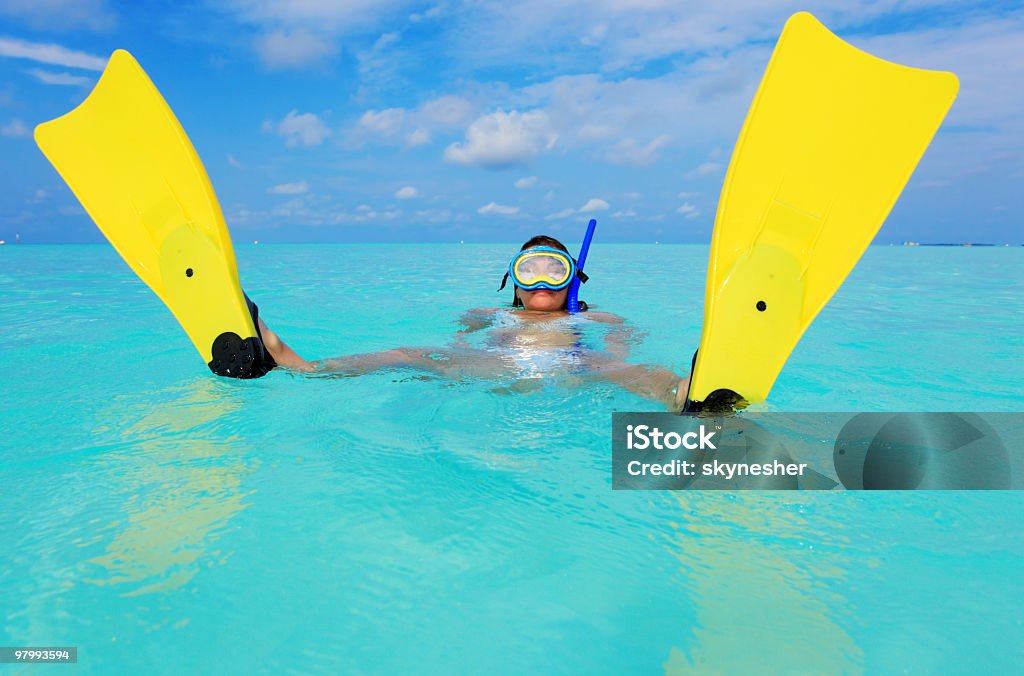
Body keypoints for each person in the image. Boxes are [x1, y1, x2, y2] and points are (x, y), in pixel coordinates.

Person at [256, 235, 690, 410]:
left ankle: (691, 398)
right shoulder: (490, 314)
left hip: (574, 363)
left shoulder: (597, 315)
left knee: (646, 375)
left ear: (574, 278)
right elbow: (461, 340)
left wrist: (612, 359)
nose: (541, 280)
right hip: (498, 363)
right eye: (529, 270)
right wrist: (454, 362)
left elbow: (621, 339)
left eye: (554, 270)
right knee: (408, 354)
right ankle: (296, 363)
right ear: (514, 283)